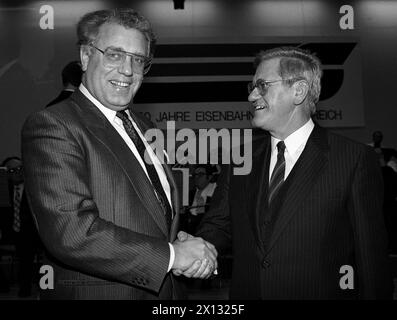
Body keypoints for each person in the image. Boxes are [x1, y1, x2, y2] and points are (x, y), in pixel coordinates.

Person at [21, 8, 217, 300]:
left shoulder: (145, 126)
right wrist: (173, 256)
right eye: (115, 54)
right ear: (86, 57)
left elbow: (154, 213)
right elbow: (72, 232)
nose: (128, 69)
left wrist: (183, 245)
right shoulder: (54, 124)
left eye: (138, 59)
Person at [189, 47, 393, 299]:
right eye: (251, 86)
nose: (252, 96)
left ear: (299, 91)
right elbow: (218, 224)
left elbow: (371, 260)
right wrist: (195, 250)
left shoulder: (353, 160)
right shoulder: (239, 157)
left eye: (262, 85)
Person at [0, 157, 42, 298]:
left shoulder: (34, 187)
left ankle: (34, 289)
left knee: (29, 260)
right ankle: (11, 287)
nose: (16, 173)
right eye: (12, 170)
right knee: (24, 260)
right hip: (15, 231)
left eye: (19, 169)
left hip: (35, 232)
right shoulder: (5, 190)